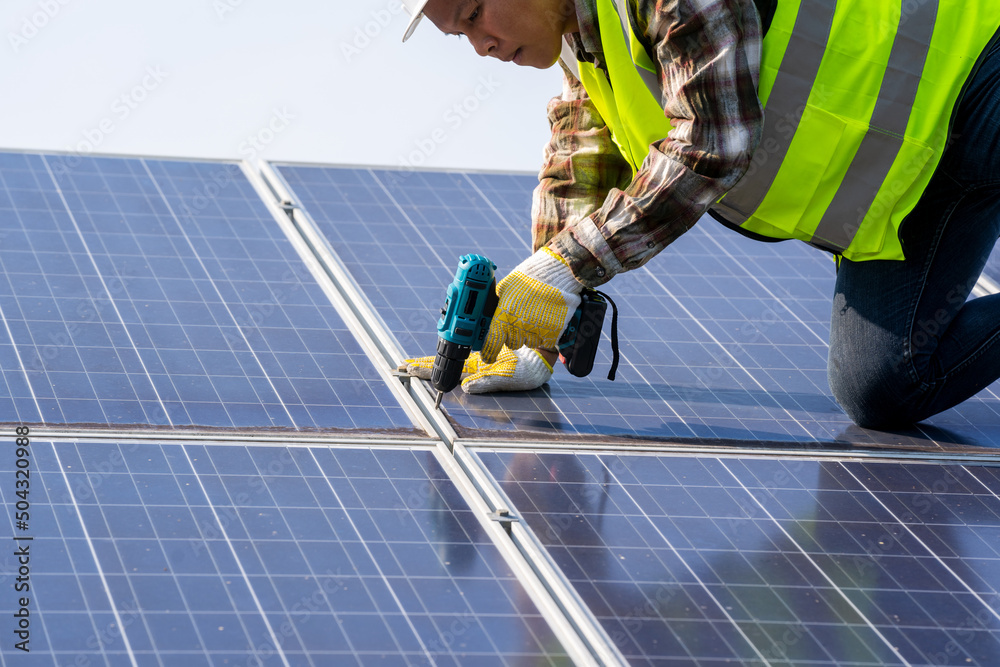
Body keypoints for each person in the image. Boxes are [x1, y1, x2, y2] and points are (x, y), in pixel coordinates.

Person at [400, 0, 1000, 429]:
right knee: (886, 388)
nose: (482, 46)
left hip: (975, 84)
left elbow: (714, 142)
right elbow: (581, 154)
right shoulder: (586, 40)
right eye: (460, 36)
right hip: (910, 187)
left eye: (476, 13)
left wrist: (563, 268)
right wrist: (538, 332)